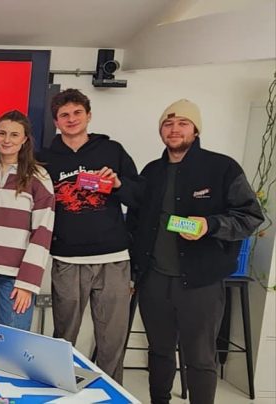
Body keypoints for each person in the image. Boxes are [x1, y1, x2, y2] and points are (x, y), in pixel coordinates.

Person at [129, 99, 262, 404]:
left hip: (201, 282)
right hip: (154, 280)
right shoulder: (152, 171)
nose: (174, 130)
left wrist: (211, 225)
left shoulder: (222, 168)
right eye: (168, 124)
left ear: (196, 129)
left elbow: (251, 216)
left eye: (182, 123)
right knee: (159, 351)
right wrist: (135, 273)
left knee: (200, 358)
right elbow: (137, 224)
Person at [37, 89, 139, 382]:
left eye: (77, 113)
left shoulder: (113, 150)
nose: (71, 119)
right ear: (56, 121)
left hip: (114, 258)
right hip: (67, 258)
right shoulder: (44, 158)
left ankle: (111, 394)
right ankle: (60, 387)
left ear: (88, 115)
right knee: (64, 334)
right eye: (64, 115)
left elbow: (141, 196)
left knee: (112, 338)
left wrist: (118, 184)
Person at [0, 110, 54, 336]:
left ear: (24, 140)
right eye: (2, 133)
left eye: (14, 135)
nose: (7, 140)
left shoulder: (39, 178)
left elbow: (43, 232)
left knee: (12, 346)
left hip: (15, 277)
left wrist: (27, 282)